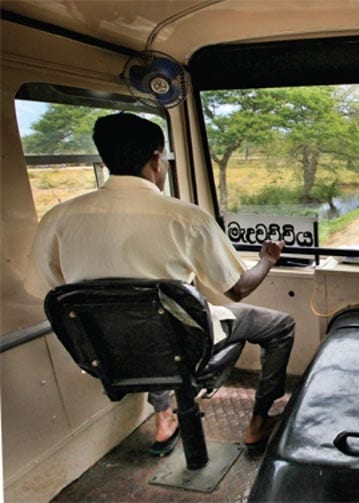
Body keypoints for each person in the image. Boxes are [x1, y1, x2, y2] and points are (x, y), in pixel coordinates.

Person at [25, 112, 295, 455]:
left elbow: (47, 290)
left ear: (105, 159)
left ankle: (165, 416)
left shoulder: (57, 219)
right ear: (157, 159)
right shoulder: (186, 218)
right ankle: (259, 422)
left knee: (153, 325)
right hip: (179, 346)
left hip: (106, 352)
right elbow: (238, 288)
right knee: (278, 326)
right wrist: (267, 260)